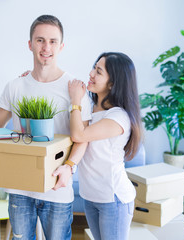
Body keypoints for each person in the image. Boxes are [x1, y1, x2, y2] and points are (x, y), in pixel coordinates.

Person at [0, 15, 91, 240]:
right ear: (30, 44)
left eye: (53, 41)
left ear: (61, 46)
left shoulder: (74, 88)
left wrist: (70, 167)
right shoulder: (15, 86)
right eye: (40, 40)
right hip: (18, 188)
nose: (46, 47)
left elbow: (83, 138)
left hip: (57, 189)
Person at [56, 52, 143, 240]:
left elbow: (79, 135)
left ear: (112, 83)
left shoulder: (118, 116)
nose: (91, 74)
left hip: (114, 199)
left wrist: (76, 101)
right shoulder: (92, 108)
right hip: (91, 196)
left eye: (98, 71)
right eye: (94, 68)